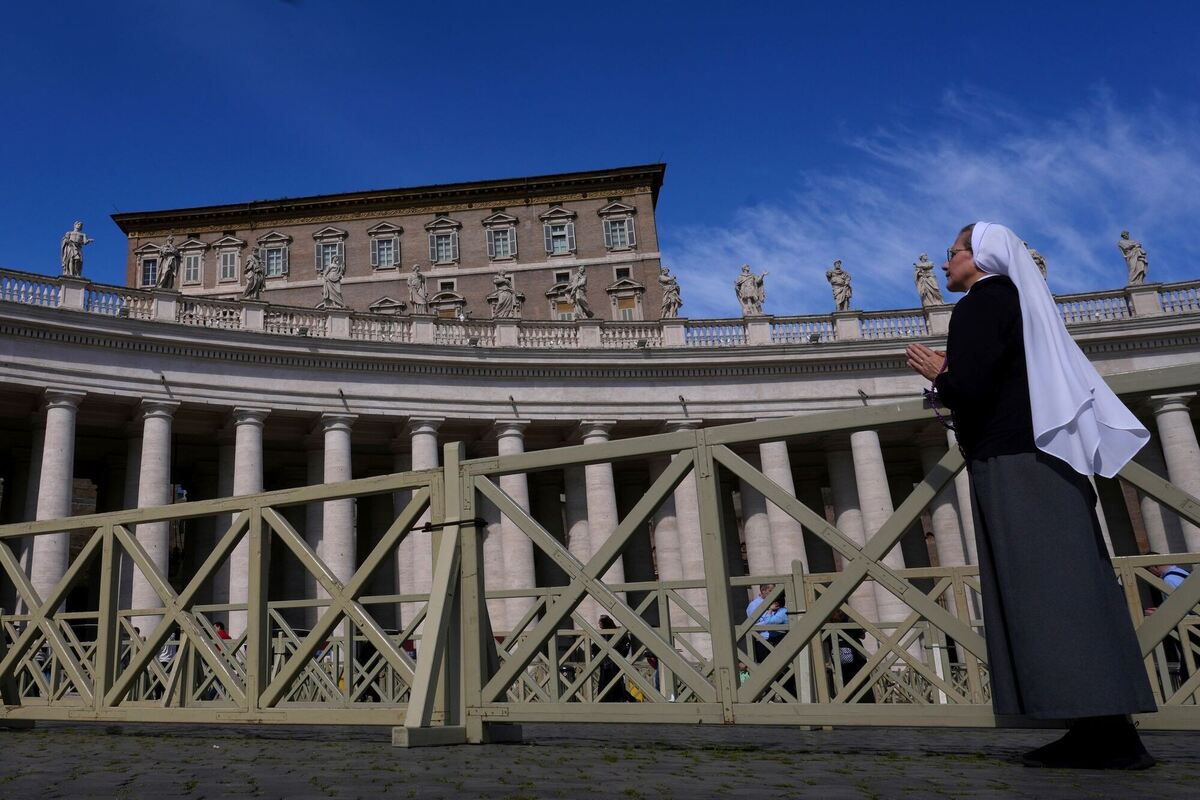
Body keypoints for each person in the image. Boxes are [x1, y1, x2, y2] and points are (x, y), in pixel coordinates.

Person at [905, 222, 1156, 770]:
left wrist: (940, 375)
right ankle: (1104, 728)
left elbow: (972, 387)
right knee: (1077, 587)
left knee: (1046, 593)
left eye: (952, 253)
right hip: (1052, 458)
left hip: (1016, 462)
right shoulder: (1021, 303)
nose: (945, 264)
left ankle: (1105, 735)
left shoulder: (979, 306)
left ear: (979, 257)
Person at [594, 615, 634, 702]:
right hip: (609, 664)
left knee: (613, 685)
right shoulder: (606, 634)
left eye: (601, 622)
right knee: (615, 685)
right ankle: (627, 699)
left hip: (612, 664)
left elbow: (595, 648)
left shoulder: (612, 633)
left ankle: (624, 699)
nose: (599, 624)